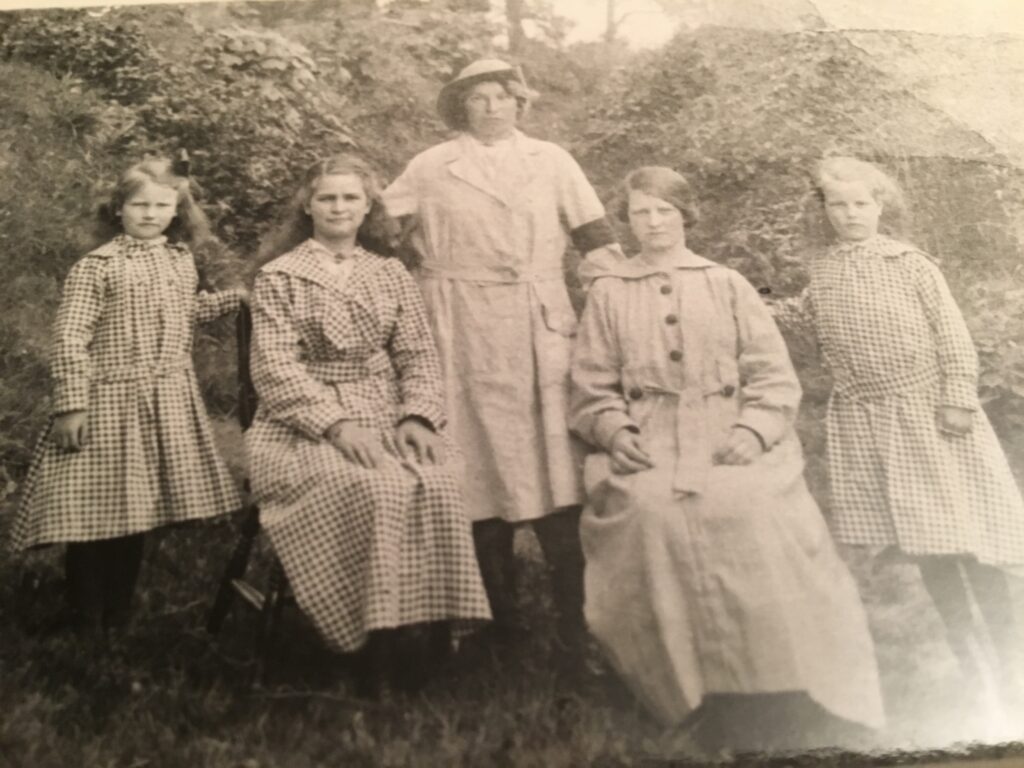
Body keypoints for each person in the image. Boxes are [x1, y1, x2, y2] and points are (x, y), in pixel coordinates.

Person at [570, 166, 884, 752]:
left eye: (665, 210)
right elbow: (590, 387)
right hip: (650, 440)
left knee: (753, 513)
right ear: (628, 222)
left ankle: (785, 685)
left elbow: (772, 376)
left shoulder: (726, 283)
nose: (654, 222)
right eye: (641, 213)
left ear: (687, 216)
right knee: (649, 516)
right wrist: (614, 431)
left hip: (727, 435)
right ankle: (684, 692)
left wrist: (755, 428)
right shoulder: (609, 292)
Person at [382, 59, 621, 662]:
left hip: (538, 325)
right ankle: (498, 622)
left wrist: (623, 295)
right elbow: (372, 228)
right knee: (478, 469)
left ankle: (577, 619)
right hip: (458, 325)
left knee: (555, 465)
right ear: (460, 107)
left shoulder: (552, 160)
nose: (490, 107)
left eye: (501, 97)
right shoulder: (432, 166)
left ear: (520, 103)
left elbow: (596, 238)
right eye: (477, 98)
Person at [775, 156, 1024, 725]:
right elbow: (804, 323)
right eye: (838, 205)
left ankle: (1010, 666)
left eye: (861, 203)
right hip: (873, 424)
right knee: (927, 545)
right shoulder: (826, 270)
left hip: (933, 416)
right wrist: (743, 300)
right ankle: (969, 663)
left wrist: (957, 396)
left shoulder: (911, 265)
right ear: (825, 212)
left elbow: (952, 335)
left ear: (881, 206)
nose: (850, 214)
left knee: (971, 536)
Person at [247, 154, 491, 696]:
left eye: (350, 198)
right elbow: (275, 370)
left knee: (439, 480)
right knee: (372, 486)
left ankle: (425, 634)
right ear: (307, 206)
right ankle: (360, 646)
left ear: (368, 208)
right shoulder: (280, 276)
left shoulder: (390, 274)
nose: (338, 208)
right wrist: (335, 426)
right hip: (299, 423)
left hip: (384, 412)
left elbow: (418, 356)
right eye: (327, 198)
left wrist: (418, 416)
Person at [8, 156, 245, 635]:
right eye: (139, 205)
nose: (150, 215)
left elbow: (185, 311)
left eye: (162, 206)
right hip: (109, 399)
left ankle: (119, 611)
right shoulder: (97, 267)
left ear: (177, 211)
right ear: (118, 209)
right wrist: (72, 405)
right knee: (94, 510)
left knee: (137, 508)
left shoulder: (179, 260)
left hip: (164, 397)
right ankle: (85, 614)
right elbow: (71, 338)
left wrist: (234, 298)